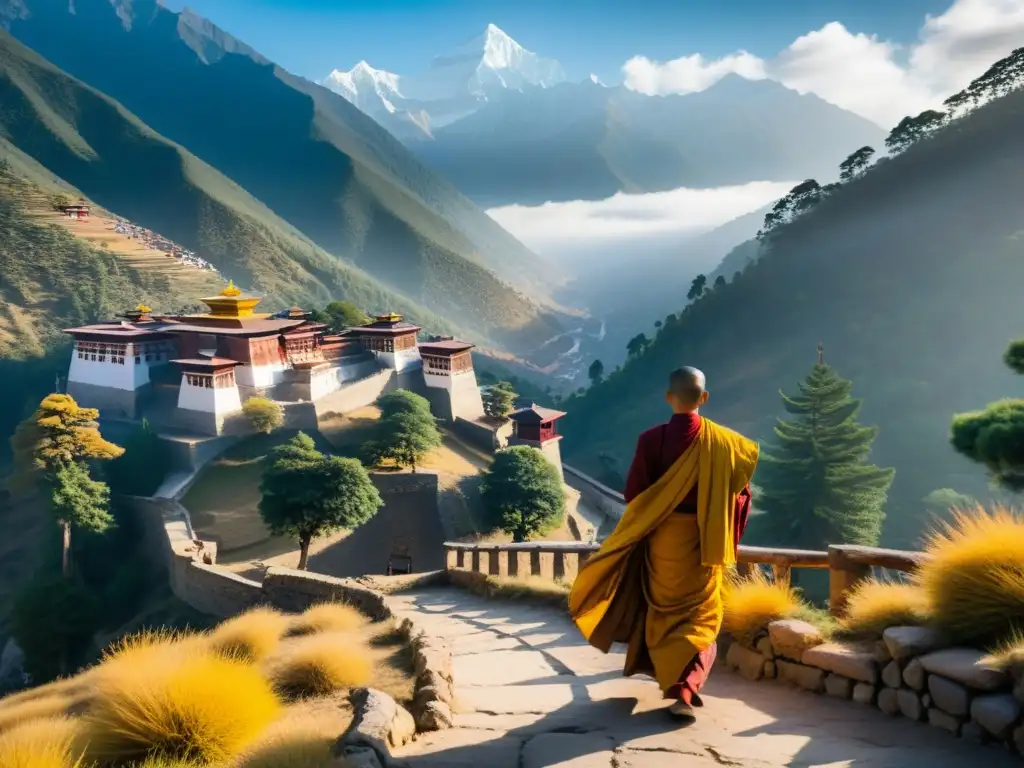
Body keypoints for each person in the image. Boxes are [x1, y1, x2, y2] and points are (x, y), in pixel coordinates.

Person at [569, 366, 758, 719]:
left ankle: (674, 682)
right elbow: (741, 496)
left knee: (662, 613)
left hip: (663, 542)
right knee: (702, 618)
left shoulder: (651, 440)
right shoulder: (725, 444)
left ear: (668, 397)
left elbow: (635, 494)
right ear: (704, 398)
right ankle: (684, 688)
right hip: (704, 544)